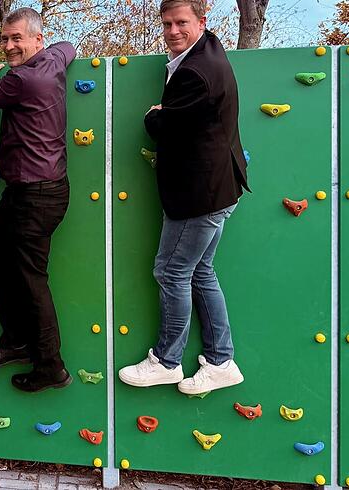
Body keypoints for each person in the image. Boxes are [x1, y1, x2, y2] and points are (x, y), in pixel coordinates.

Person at [118, 0, 250, 395]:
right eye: (167, 23)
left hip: (199, 195)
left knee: (171, 271)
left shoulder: (196, 71)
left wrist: (154, 114)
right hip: (219, 188)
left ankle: (167, 361)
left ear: (201, 21)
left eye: (181, 23)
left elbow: (167, 128)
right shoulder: (209, 50)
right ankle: (221, 361)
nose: (172, 31)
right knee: (200, 271)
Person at [0, 7, 75, 392]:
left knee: (31, 279)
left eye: (17, 38)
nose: (9, 46)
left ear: (37, 39)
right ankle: (15, 342)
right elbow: (69, 45)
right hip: (33, 191)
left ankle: (51, 367)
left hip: (36, 194)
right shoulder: (53, 60)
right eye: (4, 39)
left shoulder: (23, 78)